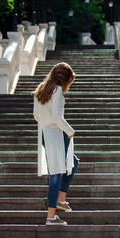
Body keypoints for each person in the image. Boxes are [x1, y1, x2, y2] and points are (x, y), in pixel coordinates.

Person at [32, 62, 79, 226]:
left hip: (45, 133)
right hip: (57, 134)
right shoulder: (57, 90)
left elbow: (36, 116)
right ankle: (51, 216)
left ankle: (60, 200)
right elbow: (57, 117)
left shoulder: (41, 89)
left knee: (69, 164)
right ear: (64, 80)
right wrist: (70, 131)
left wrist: (49, 123)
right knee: (56, 175)